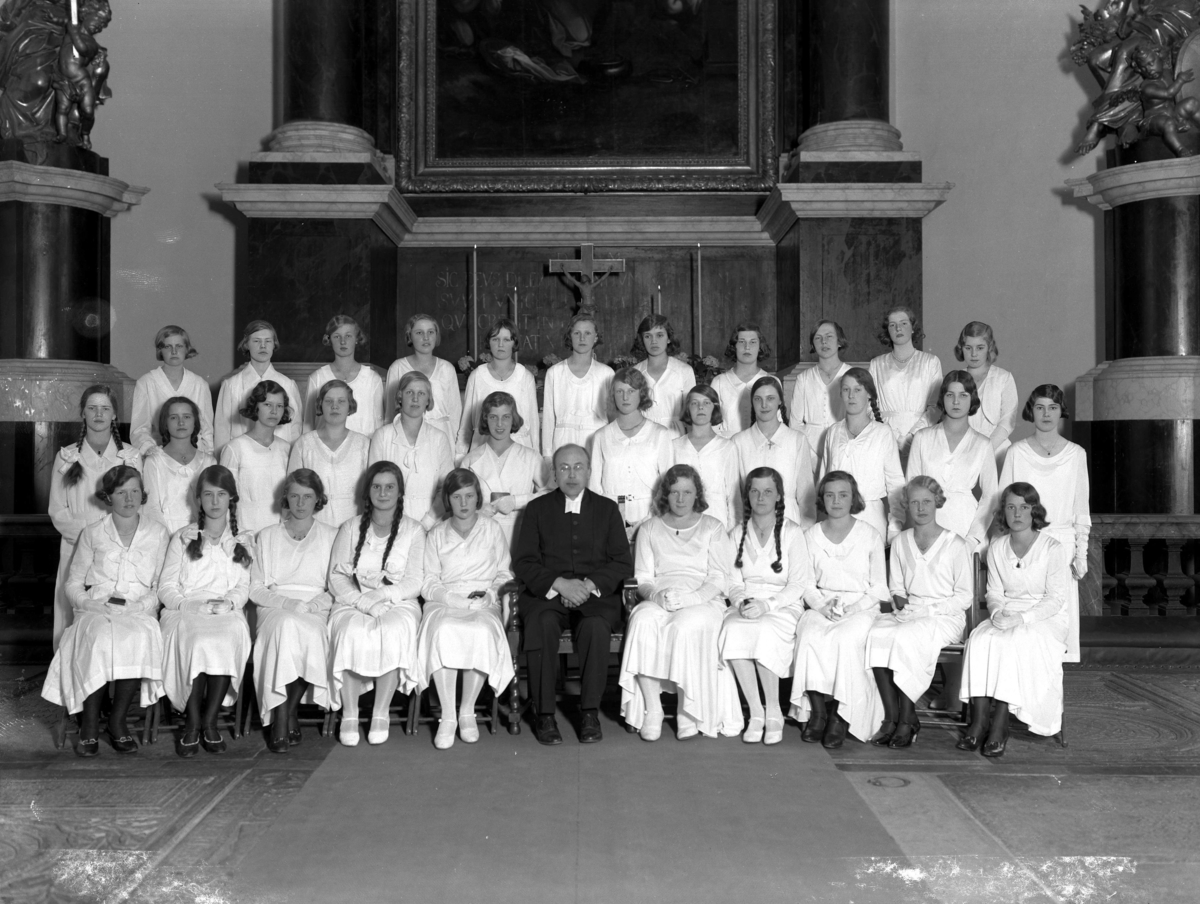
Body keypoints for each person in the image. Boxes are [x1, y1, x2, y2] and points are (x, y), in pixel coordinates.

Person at [42, 465, 170, 756]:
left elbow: (160, 585)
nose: (129, 498)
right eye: (121, 492)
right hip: (97, 607)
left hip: (139, 609)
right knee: (98, 637)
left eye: (135, 491)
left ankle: (117, 721)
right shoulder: (93, 532)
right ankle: (89, 724)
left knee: (137, 636)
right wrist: (88, 604)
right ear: (108, 496)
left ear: (142, 494)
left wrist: (141, 606)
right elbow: (73, 582)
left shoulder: (158, 533)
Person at [513, 444, 634, 746]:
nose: (571, 474)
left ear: (589, 471)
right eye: (564, 468)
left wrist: (588, 585)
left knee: (595, 626)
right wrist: (559, 584)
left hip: (595, 596)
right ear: (554, 473)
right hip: (547, 595)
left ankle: (589, 713)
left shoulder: (607, 509)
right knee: (541, 623)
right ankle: (544, 714)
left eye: (578, 467)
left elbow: (622, 562)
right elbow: (524, 561)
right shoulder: (537, 509)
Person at [619, 464, 740, 741]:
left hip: (703, 599)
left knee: (684, 626)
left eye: (687, 492)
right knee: (641, 620)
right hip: (661, 597)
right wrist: (655, 597)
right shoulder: (650, 528)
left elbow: (719, 577)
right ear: (666, 494)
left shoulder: (712, 527)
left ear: (697, 494)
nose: (681, 499)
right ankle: (653, 709)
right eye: (674, 492)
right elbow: (643, 578)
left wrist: (691, 598)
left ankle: (688, 710)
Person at [958, 483, 1069, 757]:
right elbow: (994, 592)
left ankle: (999, 726)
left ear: (1034, 511)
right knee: (980, 638)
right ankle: (979, 722)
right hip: (1007, 612)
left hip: (1045, 618)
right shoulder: (997, 547)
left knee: (1014, 641)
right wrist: (997, 612)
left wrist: (1022, 618)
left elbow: (1055, 599)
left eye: (1024, 507)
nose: (1017, 513)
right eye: (1011, 507)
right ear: (1003, 511)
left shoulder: (1052, 548)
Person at [865, 476, 973, 749]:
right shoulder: (900, 542)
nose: (921, 508)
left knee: (906, 637)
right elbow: (896, 588)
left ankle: (907, 718)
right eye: (914, 502)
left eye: (927, 501)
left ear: (937, 502)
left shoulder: (956, 544)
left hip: (945, 617)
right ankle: (891, 717)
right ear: (907, 505)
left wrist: (928, 609)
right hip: (911, 613)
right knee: (876, 633)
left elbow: (964, 597)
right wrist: (902, 606)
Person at [327, 461, 426, 746]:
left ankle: (380, 712)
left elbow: (415, 581)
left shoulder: (413, 530)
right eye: (377, 487)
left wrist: (381, 596)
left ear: (400, 492)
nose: (383, 493)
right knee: (350, 630)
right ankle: (350, 712)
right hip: (353, 600)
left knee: (394, 629)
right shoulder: (350, 528)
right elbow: (336, 577)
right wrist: (363, 602)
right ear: (368, 491)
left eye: (390, 487)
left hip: (397, 601)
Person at [158, 465, 254, 758]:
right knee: (197, 639)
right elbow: (166, 587)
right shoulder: (183, 538)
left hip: (225, 609)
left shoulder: (242, 541)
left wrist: (230, 603)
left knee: (229, 634)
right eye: (208, 494)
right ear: (198, 499)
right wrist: (187, 605)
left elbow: (243, 585)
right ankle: (192, 722)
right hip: (185, 609)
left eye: (221, 494)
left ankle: (210, 722)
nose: (214, 501)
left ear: (231, 499)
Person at [417, 469, 516, 749]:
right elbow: (429, 581)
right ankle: (448, 715)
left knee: (481, 629)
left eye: (469, 496)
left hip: (483, 599)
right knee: (443, 629)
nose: (463, 503)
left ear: (478, 498)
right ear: (447, 499)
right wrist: (453, 600)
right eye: (457, 496)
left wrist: (490, 595)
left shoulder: (492, 529)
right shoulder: (437, 533)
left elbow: (504, 573)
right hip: (445, 600)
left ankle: (467, 711)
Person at [789, 471, 888, 748]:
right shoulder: (810, 536)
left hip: (861, 607)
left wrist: (853, 608)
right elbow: (806, 583)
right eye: (830, 495)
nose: (836, 501)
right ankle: (818, 713)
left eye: (843, 495)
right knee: (809, 634)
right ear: (822, 499)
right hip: (822, 604)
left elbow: (879, 588)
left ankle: (840, 716)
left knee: (845, 639)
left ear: (853, 498)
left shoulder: (869, 534)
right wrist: (822, 607)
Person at [718, 467, 813, 745]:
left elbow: (798, 584)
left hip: (782, 605)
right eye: (755, 491)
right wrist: (742, 602)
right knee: (733, 628)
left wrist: (767, 605)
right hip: (747, 603)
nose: (761, 497)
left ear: (779, 496)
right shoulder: (737, 533)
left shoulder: (792, 533)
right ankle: (756, 712)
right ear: (747, 495)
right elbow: (732, 581)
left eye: (768, 491)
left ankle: (773, 711)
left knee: (764, 629)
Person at [999, 384, 1090, 664]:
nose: (1046, 414)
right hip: (1024, 545)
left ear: (1061, 411)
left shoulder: (1076, 454)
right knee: (1025, 618)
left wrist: (1081, 553)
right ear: (1031, 411)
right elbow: (1003, 507)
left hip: (1062, 546)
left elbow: (1081, 509)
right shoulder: (1016, 452)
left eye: (1053, 407)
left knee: (1058, 620)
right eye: (1040, 407)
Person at [250, 470, 338, 754]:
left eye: (308, 497)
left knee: (308, 633)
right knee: (286, 627)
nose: (300, 503)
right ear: (285, 497)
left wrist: (312, 606)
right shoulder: (267, 536)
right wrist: (287, 604)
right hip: (275, 606)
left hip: (315, 606)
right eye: (295, 496)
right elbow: (255, 589)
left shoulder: (331, 536)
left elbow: (336, 587)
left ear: (318, 499)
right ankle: (283, 717)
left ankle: (285, 713)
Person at [49, 384, 141, 650]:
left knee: (113, 611)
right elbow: (57, 509)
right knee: (73, 608)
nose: (99, 414)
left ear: (114, 414)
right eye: (92, 408)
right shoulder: (67, 456)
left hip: (116, 545)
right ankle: (69, 666)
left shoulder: (129, 456)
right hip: (76, 543)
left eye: (105, 408)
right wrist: (87, 538)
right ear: (83, 413)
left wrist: (112, 538)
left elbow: (137, 504)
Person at [906, 371, 999, 551]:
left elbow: (991, 497)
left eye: (963, 395)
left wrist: (972, 539)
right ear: (942, 398)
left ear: (972, 399)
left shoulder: (982, 444)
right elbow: (912, 488)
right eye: (950, 395)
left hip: (966, 527)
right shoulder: (922, 438)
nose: (956, 402)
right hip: (928, 526)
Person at [820, 368, 905, 544]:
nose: (851, 395)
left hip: (871, 518)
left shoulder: (883, 433)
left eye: (857, 389)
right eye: (846, 389)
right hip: (836, 519)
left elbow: (895, 484)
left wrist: (895, 529)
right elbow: (823, 481)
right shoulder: (833, 432)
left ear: (869, 394)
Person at [462, 391, 550, 551]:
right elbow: (460, 500)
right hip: (481, 537)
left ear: (513, 418)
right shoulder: (471, 460)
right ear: (485, 419)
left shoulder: (531, 457)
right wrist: (477, 511)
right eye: (493, 417)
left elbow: (550, 495)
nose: (499, 424)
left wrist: (517, 501)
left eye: (506, 417)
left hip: (521, 534)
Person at [588, 366, 674, 531]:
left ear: (641, 393)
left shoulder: (659, 434)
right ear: (613, 395)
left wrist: (652, 516)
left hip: (650, 515)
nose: (625, 397)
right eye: (619, 391)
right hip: (610, 516)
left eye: (631, 391)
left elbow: (668, 483)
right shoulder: (601, 436)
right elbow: (594, 488)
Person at [369, 372, 455, 529]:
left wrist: (427, 523)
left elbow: (446, 487)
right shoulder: (382, 436)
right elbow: (375, 486)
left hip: (432, 525)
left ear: (428, 399)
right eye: (409, 392)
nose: (415, 399)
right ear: (400, 397)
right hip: (390, 525)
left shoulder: (439, 438)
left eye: (421, 393)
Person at [731, 375, 817, 527]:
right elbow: (735, 496)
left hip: (788, 523)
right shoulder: (738, 442)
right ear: (752, 402)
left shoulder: (796, 440)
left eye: (770, 398)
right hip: (751, 525)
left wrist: (803, 532)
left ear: (780, 401)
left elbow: (806, 497)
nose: (764, 405)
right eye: (758, 399)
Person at [287, 380, 370, 527]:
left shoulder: (364, 444)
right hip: (314, 526)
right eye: (329, 401)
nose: (334, 406)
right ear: (321, 405)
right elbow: (292, 491)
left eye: (341, 401)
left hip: (355, 525)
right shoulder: (304, 444)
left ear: (350, 406)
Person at [215, 320, 302, 453]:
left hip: (279, 457)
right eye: (256, 341)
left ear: (274, 344)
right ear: (246, 344)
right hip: (243, 457)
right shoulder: (231, 385)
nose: (263, 346)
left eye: (268, 341)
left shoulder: (288, 385)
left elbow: (295, 429)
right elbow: (222, 430)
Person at [868, 306, 943, 460]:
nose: (898, 328)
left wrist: (912, 437)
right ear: (887, 331)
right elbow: (870, 406)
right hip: (885, 438)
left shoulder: (930, 362)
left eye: (903, 323)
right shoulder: (876, 364)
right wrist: (891, 436)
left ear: (913, 327)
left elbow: (936, 406)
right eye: (892, 325)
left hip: (921, 437)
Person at [457, 318, 540, 456]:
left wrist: (536, 457)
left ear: (514, 343)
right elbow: (466, 424)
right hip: (483, 449)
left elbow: (533, 424)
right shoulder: (477, 376)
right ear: (488, 342)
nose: (500, 344)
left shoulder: (525, 377)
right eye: (495, 339)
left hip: (519, 450)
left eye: (506, 339)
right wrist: (460, 456)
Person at [219, 380, 292, 535]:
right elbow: (224, 499)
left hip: (279, 533)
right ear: (255, 407)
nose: (274, 411)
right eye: (267, 404)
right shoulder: (235, 448)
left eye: (279, 406)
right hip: (245, 532)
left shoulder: (287, 449)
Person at [130, 325, 215, 456]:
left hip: (194, 455)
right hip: (158, 454)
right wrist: (151, 450)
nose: (174, 351)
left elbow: (207, 431)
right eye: (168, 346)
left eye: (179, 346)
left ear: (187, 349)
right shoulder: (146, 383)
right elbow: (139, 430)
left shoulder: (200, 385)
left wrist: (207, 456)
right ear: (160, 350)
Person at [541, 312, 615, 457]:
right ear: (570, 336)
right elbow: (548, 418)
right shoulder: (555, 373)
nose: (582, 338)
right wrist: (547, 454)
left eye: (587, 333)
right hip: (563, 441)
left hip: (595, 440)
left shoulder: (606, 373)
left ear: (596, 337)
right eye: (577, 333)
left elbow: (612, 417)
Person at [385, 313, 463, 450]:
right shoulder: (397, 368)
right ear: (410, 336)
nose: (426, 338)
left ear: (436, 335)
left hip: (442, 438)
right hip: (407, 437)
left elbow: (455, 413)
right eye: (419, 332)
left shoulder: (447, 369)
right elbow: (390, 413)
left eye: (430, 332)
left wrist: (458, 450)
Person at [142, 397, 217, 535]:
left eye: (187, 417)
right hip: (165, 535)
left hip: (201, 536)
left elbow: (214, 506)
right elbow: (151, 508)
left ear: (195, 422)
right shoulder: (154, 462)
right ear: (165, 423)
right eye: (174, 417)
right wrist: (169, 540)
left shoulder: (209, 462)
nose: (181, 422)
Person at [303, 315, 384, 436]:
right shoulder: (317, 378)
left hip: (363, 445)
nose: (343, 341)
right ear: (329, 339)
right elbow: (308, 424)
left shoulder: (372, 379)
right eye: (337, 336)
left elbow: (379, 423)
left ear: (357, 338)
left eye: (348, 336)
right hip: (325, 446)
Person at [672, 385, 740, 528]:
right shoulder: (675, 446)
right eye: (694, 403)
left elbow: (734, 496)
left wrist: (732, 532)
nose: (700, 407)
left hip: (717, 519)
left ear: (714, 408)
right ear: (688, 409)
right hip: (682, 523)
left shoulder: (727, 447)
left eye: (706, 403)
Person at [955, 321, 1018, 467]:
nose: (974, 354)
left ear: (989, 347)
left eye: (980, 348)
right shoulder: (955, 379)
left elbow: (1008, 421)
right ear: (961, 348)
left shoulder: (1003, 378)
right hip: (963, 450)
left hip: (997, 449)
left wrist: (986, 450)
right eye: (968, 348)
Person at [790, 319, 852, 455]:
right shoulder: (804, 378)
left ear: (839, 341)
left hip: (844, 446)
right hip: (809, 448)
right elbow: (795, 424)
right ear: (813, 344)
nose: (824, 342)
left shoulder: (852, 375)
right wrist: (810, 455)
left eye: (829, 336)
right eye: (818, 338)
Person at [631, 313, 696, 436]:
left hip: (674, 435)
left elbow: (692, 411)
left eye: (659, 335)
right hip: (644, 434)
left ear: (669, 338)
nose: (654, 341)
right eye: (648, 336)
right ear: (641, 340)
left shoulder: (684, 371)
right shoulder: (636, 372)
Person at [710, 323, 772, 437]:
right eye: (742, 341)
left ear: (760, 347)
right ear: (734, 346)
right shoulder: (719, 382)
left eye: (753, 342)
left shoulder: (770, 381)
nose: (747, 347)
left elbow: (776, 425)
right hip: (726, 444)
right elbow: (712, 425)